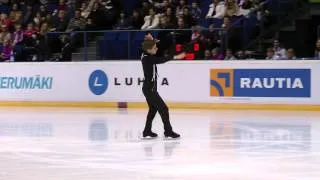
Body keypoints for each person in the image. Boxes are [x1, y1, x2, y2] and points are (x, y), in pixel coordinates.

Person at [141, 33, 185, 139]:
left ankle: (147, 131)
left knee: (153, 110)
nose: (156, 49)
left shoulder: (145, 54)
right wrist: (176, 57)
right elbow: (162, 60)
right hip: (150, 89)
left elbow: (147, 47)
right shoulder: (148, 59)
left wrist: (152, 41)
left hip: (149, 88)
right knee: (164, 109)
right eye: (154, 48)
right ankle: (168, 131)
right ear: (149, 50)